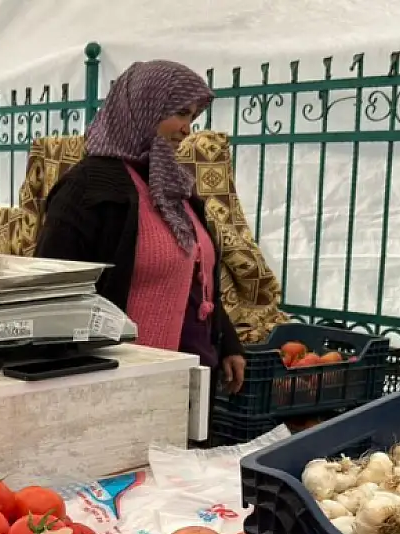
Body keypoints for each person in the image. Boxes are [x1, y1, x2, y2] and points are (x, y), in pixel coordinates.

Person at [36, 60, 246, 393]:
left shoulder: (172, 186)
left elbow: (197, 279)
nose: (187, 128)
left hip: (191, 378)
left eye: (192, 117)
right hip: (128, 385)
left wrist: (229, 343)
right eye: (179, 113)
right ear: (142, 108)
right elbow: (53, 293)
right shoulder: (89, 189)